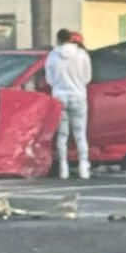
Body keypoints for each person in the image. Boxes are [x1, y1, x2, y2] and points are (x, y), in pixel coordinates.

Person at [46, 28, 93, 179]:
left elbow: (49, 80)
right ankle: (83, 167)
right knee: (80, 134)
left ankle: (63, 168)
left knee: (62, 135)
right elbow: (87, 78)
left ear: (58, 39)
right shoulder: (82, 55)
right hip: (78, 95)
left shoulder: (52, 56)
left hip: (59, 96)